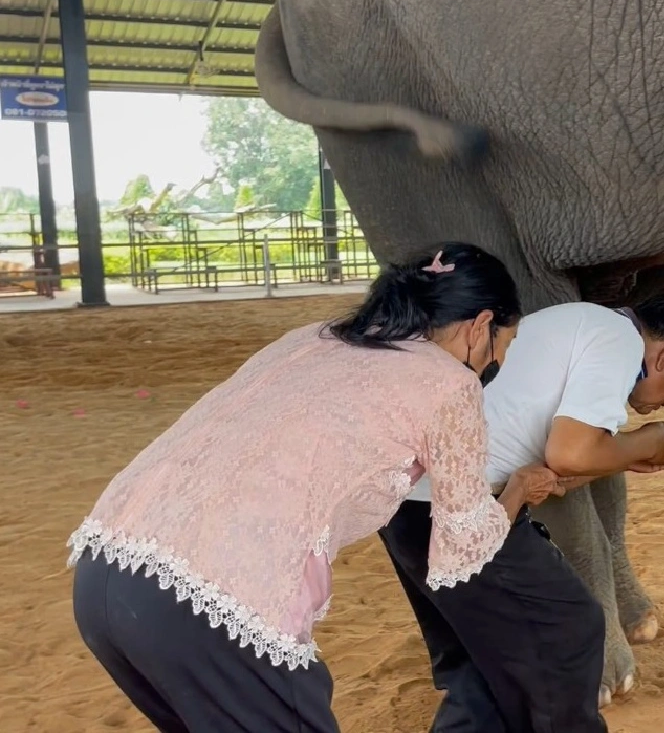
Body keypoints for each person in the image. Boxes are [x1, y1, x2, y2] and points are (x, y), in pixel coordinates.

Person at [66, 242, 561, 732]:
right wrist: (517, 489)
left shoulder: (313, 337)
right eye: (505, 345)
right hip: (212, 601)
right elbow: (461, 546)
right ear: (480, 327)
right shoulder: (448, 384)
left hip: (107, 571)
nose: (496, 363)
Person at [380, 289, 664, 731]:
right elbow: (570, 454)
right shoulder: (618, 340)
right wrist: (652, 438)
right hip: (456, 509)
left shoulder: (581, 323)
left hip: (409, 505)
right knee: (570, 628)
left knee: (479, 666)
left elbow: (557, 468)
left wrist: (633, 457)